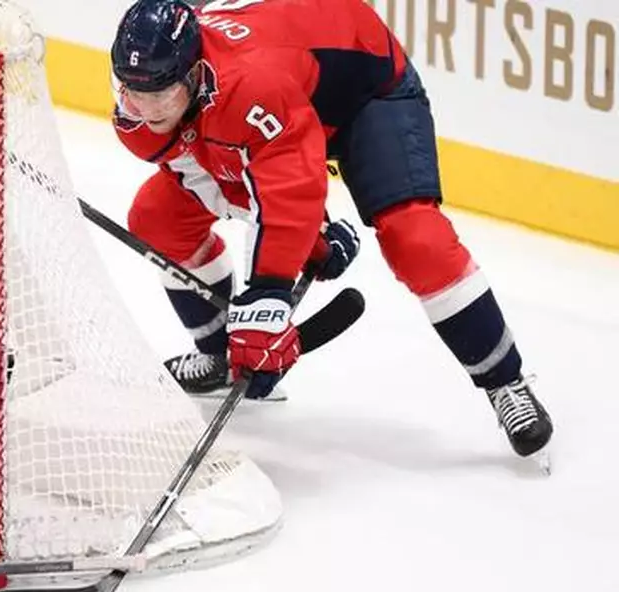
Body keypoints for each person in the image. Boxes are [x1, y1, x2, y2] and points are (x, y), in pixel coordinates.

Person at [108, 0, 552, 460]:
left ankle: (506, 382)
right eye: (131, 90)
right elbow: (217, 179)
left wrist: (270, 290)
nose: (142, 106)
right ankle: (219, 357)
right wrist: (302, 253)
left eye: (159, 93)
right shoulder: (141, 103)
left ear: (194, 74)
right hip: (287, 97)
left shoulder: (249, 83)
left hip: (363, 93)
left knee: (416, 239)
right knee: (156, 217)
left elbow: (289, 181)